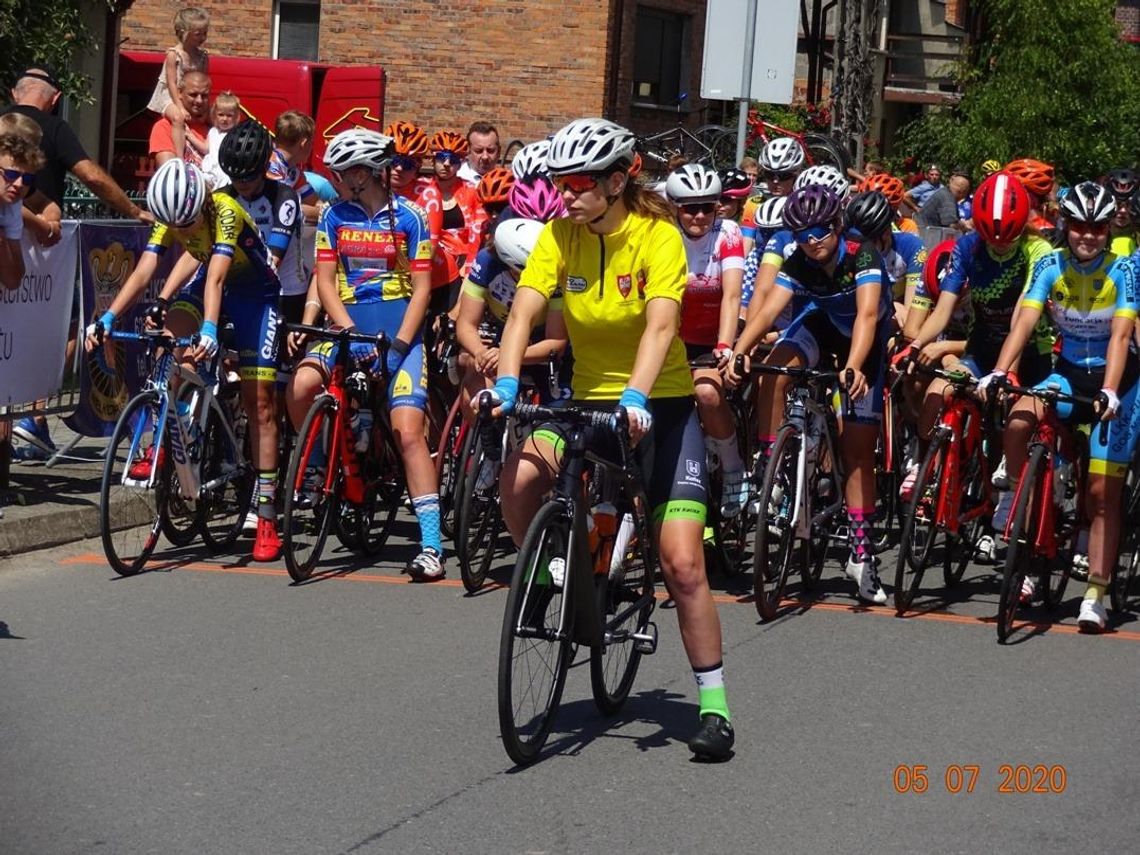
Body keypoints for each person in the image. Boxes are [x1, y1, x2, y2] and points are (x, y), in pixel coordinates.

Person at [487, 117, 735, 760]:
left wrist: (637, 396)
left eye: (578, 183)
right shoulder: (559, 236)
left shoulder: (659, 236)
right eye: (560, 182)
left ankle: (714, 705)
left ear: (618, 181)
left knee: (682, 563)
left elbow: (660, 328)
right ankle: (548, 574)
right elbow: (522, 312)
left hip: (664, 403)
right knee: (518, 475)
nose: (566, 194)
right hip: (585, 399)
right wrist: (508, 384)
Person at [85, 159, 285, 561]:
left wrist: (210, 331)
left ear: (202, 204)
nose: (184, 230)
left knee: (259, 402)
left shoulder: (225, 211)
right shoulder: (172, 212)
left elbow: (216, 277)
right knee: (171, 347)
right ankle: (169, 437)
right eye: (177, 225)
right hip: (207, 285)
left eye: (189, 222)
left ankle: (265, 516)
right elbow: (145, 269)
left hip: (253, 296)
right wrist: (107, 316)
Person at [978, 182, 1139, 633]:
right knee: (1019, 418)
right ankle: (1020, 497)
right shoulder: (1050, 262)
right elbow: (1026, 321)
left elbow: (1123, 336)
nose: (1088, 235)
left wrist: (1109, 389)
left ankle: (1096, 593)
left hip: (1119, 382)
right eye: (1081, 227)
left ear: (1108, 229)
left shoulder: (1123, 270)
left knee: (1101, 495)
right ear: (1066, 226)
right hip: (1067, 370)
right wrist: (999, 371)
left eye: (1098, 227)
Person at [286, 129, 446, 581]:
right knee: (301, 385)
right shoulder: (335, 215)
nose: (333, 180)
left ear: (363, 174)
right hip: (350, 322)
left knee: (408, 432)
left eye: (340, 173)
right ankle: (318, 467)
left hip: (400, 329)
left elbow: (422, 292)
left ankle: (430, 545)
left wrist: (398, 347)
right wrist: (349, 331)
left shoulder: (411, 217)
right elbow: (325, 281)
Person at [728, 184, 891, 606]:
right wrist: (739, 352)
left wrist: (853, 365)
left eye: (820, 230)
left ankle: (861, 553)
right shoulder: (799, 259)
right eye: (802, 233)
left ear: (837, 224)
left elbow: (869, 316)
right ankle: (771, 464)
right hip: (822, 326)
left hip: (863, 340)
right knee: (774, 372)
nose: (812, 240)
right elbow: (766, 311)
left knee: (857, 452)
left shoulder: (862, 254)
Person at [4, 67, 152, 460]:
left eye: (23, 176)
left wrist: (35, 217)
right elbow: (91, 176)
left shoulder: (8, 129)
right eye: (10, 174)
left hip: (27, 254)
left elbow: (40, 208)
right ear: (54, 99)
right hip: (41, 254)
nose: (17, 182)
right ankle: (33, 415)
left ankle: (24, 421)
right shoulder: (53, 127)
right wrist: (133, 210)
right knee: (61, 325)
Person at [664, 164, 748, 517]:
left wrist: (725, 346)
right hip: (669, 338)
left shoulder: (727, 232)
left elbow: (731, 296)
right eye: (689, 207)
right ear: (674, 207)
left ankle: (733, 467)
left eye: (708, 207)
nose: (699, 215)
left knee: (708, 393)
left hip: (710, 338)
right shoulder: (662, 234)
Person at [145, 6, 210, 165]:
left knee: (215, 116)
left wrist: (205, 110)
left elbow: (203, 82)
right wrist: (180, 106)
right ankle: (180, 158)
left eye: (205, 33)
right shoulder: (174, 54)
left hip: (186, 93)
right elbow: (171, 82)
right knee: (178, 117)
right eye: (198, 34)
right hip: (169, 95)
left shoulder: (202, 56)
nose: (203, 37)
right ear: (185, 32)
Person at [429, 129, 487, 302]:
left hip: (461, 265)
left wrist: (469, 267)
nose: (446, 164)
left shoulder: (472, 190)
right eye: (441, 158)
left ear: (460, 163)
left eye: (453, 160)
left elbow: (477, 233)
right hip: (430, 263)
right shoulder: (422, 190)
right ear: (433, 159)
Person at [0, 131, 44, 288]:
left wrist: (2, 243)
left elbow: (13, 280)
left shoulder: (12, 207)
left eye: (27, 179)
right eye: (11, 174)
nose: (19, 184)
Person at [149, 70, 211, 166]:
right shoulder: (165, 127)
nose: (199, 100)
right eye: (193, 95)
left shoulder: (215, 129)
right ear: (179, 93)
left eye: (204, 95)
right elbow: (169, 170)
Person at [266, 111, 318, 223]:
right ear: (303, 143)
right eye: (312, 142)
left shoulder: (294, 170)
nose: (312, 147)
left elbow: (312, 201)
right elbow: (284, 208)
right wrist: (327, 214)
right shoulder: (271, 166)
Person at [200, 90, 241, 190]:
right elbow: (205, 148)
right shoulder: (213, 131)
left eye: (229, 115)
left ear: (236, 117)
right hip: (210, 171)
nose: (225, 119)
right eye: (221, 115)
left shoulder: (236, 134)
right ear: (214, 115)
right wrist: (189, 136)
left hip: (225, 173)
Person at [456, 121, 500, 186]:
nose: (485, 157)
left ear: (499, 152)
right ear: (467, 151)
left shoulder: (505, 182)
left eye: (490, 150)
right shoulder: (455, 179)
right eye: (479, 151)